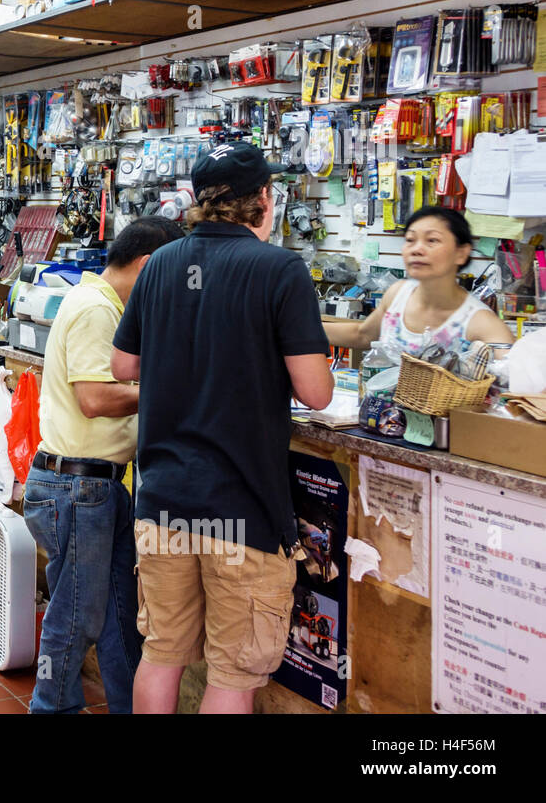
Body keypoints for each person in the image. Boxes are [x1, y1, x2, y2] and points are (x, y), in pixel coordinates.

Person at [111, 141, 334, 714]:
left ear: (199, 201)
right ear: (264, 198)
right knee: (233, 673)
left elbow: (124, 368)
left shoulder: (161, 264)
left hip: (161, 500)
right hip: (243, 508)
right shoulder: (281, 269)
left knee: (161, 652)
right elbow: (315, 392)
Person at [23, 216, 184, 715]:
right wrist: (170, 388)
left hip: (96, 486)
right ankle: (49, 709)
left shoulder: (105, 304)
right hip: (77, 487)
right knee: (75, 619)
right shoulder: (96, 309)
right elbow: (95, 398)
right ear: (148, 265)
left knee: (117, 617)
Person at [323, 206, 514, 354]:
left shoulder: (480, 323)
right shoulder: (398, 293)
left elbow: (515, 385)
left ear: (461, 253)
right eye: (410, 240)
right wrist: (297, 328)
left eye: (432, 240)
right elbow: (363, 335)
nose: (417, 249)